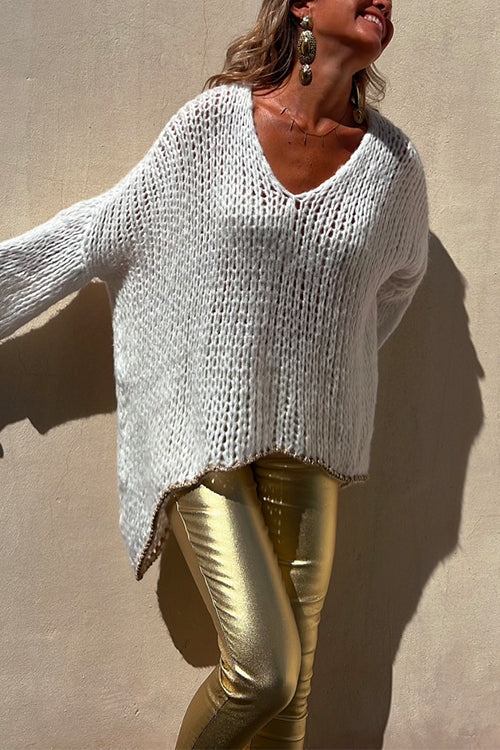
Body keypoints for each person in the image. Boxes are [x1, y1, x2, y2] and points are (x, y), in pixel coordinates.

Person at [0, 0, 429, 747]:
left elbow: (394, 288)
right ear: (301, 6)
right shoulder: (214, 126)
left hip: (314, 443)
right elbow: (106, 227)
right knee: (264, 673)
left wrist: (330, 368)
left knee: (291, 700)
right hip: (201, 428)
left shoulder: (395, 167)